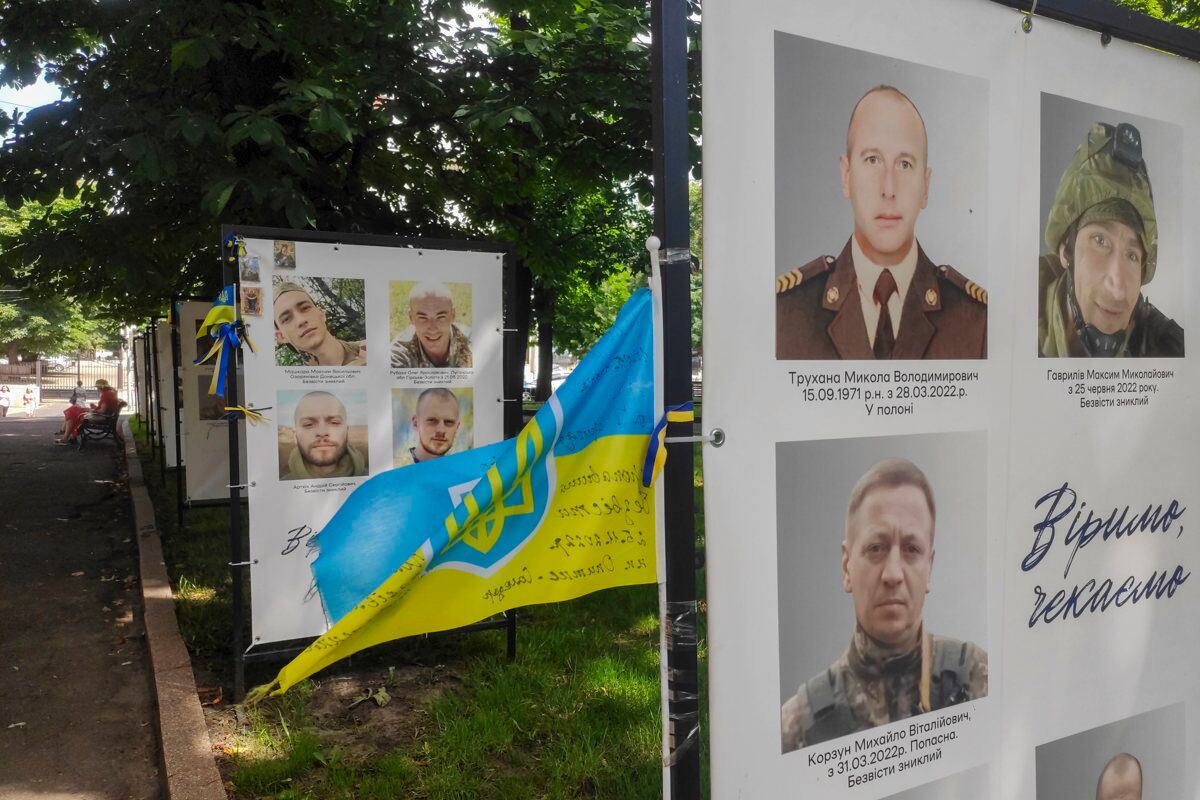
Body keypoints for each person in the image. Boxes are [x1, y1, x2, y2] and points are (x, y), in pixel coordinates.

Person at [780, 458, 987, 751]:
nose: (892, 574)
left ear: (929, 567)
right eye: (876, 548)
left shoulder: (979, 679)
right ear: (846, 566)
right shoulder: (797, 725)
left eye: (912, 549)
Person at [776, 85, 987, 360]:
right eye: (873, 160)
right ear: (846, 176)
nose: (889, 189)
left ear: (926, 186)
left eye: (905, 164)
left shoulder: (974, 319)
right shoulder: (788, 313)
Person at [1039, 121, 1183, 357]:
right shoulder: (998, 325)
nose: (1118, 289)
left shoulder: (1167, 347)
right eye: (1100, 241)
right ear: (1067, 250)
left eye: (1132, 255)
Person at [273, 281, 367, 367]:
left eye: (305, 308)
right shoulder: (295, 384)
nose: (300, 321)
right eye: (286, 319)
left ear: (322, 314)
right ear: (280, 336)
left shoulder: (372, 352)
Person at [282, 391, 368, 480]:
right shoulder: (279, 489)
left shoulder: (374, 482)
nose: (322, 432)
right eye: (308, 424)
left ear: (346, 431)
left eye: (334, 422)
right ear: (295, 435)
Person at [390, 282, 473, 368]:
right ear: (411, 317)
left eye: (440, 317)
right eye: (423, 318)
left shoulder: (473, 343)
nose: (432, 328)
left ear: (452, 315)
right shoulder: (398, 354)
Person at [397, 388, 462, 466]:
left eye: (449, 422)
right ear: (416, 423)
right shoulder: (395, 468)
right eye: (432, 420)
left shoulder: (462, 472)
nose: (441, 430)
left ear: (457, 428)